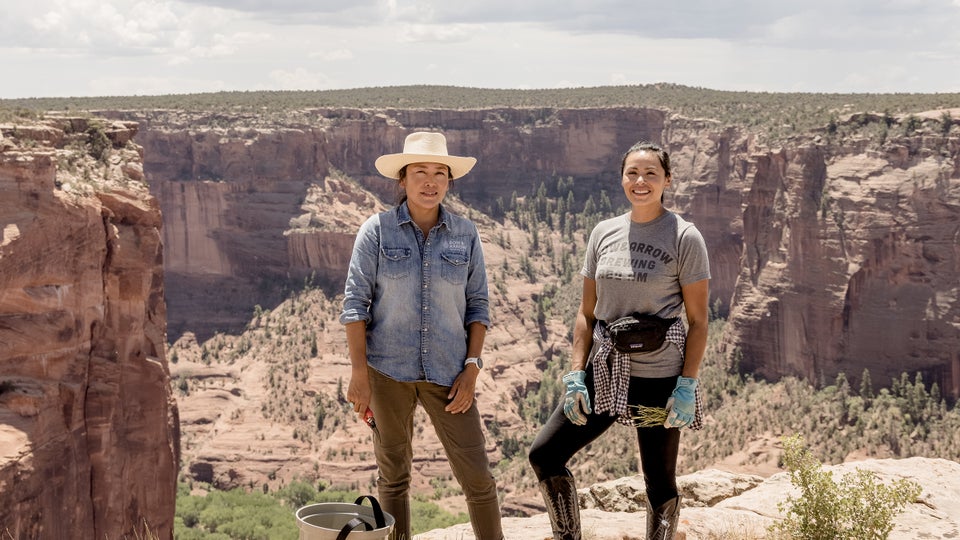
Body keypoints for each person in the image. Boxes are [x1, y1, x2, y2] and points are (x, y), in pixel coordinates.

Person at [528, 141, 711, 540]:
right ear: (621, 177)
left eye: (651, 174)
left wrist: (686, 385)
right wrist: (576, 375)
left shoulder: (685, 237)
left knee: (659, 479)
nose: (640, 181)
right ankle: (567, 537)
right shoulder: (603, 232)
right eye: (632, 173)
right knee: (545, 454)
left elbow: (698, 321)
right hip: (605, 371)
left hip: (659, 379)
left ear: (667, 180)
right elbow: (586, 313)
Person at [340, 132, 504, 540]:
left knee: (478, 478)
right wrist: (359, 375)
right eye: (420, 172)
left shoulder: (465, 233)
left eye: (439, 173)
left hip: (450, 375)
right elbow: (354, 305)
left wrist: (472, 368)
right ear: (402, 180)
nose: (430, 182)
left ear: (449, 180)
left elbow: (478, 306)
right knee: (393, 477)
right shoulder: (376, 231)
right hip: (387, 373)